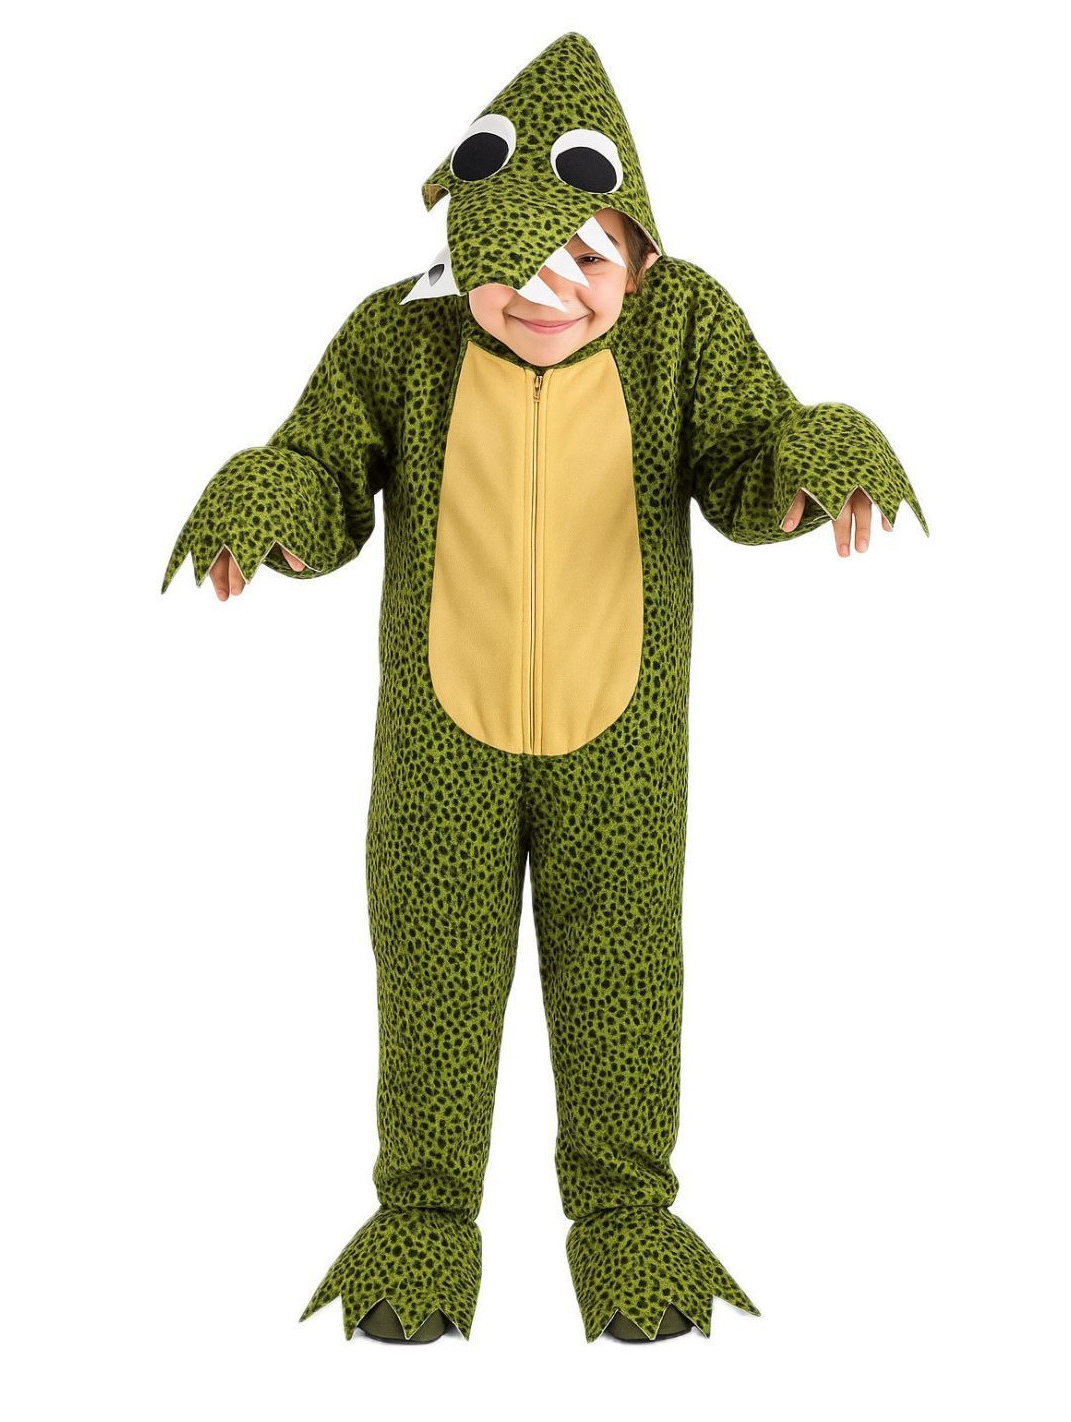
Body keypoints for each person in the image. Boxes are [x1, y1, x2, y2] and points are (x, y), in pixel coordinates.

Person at [162, 32, 927, 1346]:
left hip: (620, 754)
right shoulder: (398, 339)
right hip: (439, 751)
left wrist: (814, 457)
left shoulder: (686, 326)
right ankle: (420, 1224)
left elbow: (747, 454)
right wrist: (275, 503)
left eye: (583, 259)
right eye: (509, 262)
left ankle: (628, 1224)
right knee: (432, 978)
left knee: (625, 974)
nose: (543, 291)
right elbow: (324, 464)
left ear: (638, 251)